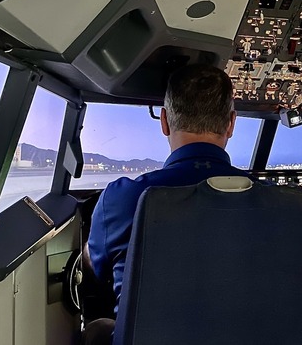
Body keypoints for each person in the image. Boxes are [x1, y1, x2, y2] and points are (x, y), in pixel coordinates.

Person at [83, 64, 248, 344]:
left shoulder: (121, 198)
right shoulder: (279, 203)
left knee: (98, 329)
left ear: (164, 121)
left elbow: (97, 269)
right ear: (231, 123)